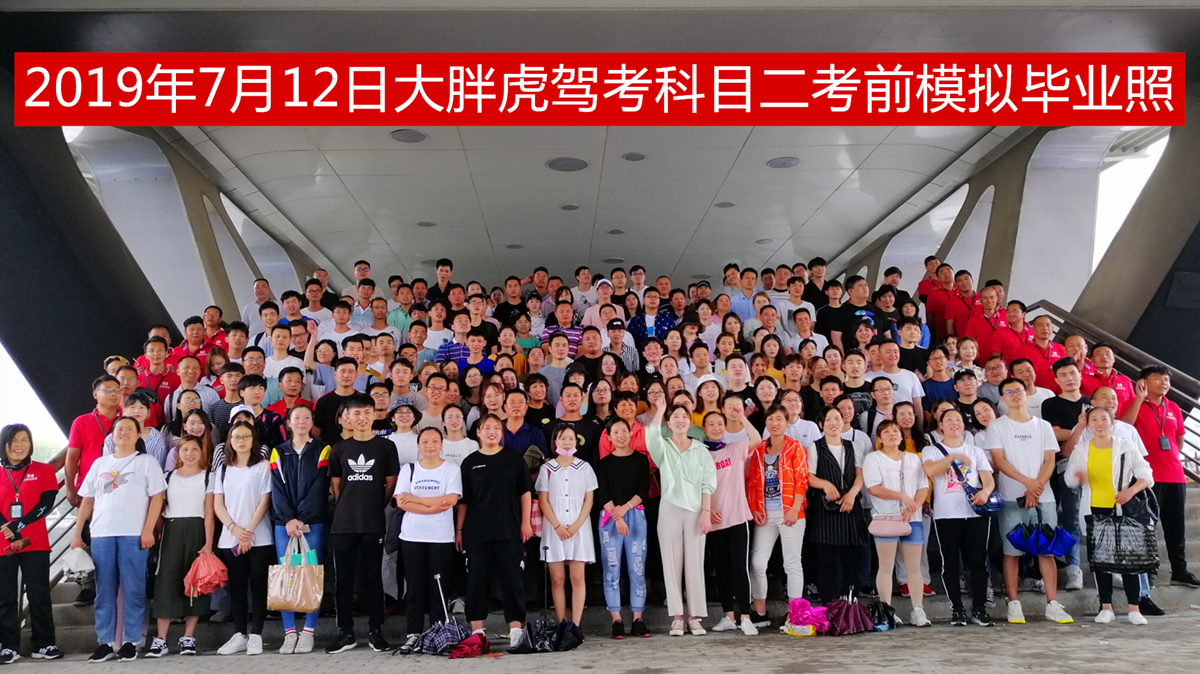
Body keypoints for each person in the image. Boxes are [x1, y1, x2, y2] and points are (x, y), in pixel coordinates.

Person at [71, 416, 166, 663]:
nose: (124, 432)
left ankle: (131, 641)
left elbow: (157, 498)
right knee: (104, 590)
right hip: (101, 533)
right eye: (119, 429)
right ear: (112, 435)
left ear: (138, 435)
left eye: (129, 429)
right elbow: (87, 500)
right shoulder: (100, 463)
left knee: (134, 588)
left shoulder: (147, 462)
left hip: (133, 533)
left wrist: (148, 530)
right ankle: (106, 642)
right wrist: (77, 533)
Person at [986, 377, 1074, 624]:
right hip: (1012, 496)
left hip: (1043, 497)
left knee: (1046, 550)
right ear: (1002, 398)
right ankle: (1014, 604)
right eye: (1009, 392)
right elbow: (999, 461)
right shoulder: (997, 426)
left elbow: (1049, 460)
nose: (1015, 394)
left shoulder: (1043, 425)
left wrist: (1036, 488)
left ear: (1026, 393)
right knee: (1011, 551)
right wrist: (1027, 484)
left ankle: (1052, 603)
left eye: (1019, 390)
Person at [1064, 407, 1155, 625]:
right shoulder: (1081, 449)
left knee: (1129, 559)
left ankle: (1134, 608)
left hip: (1124, 509)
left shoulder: (1125, 446)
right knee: (1100, 561)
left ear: (1112, 422)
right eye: (1094, 419)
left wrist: (1130, 491)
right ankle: (1106, 607)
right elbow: (1069, 480)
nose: (1099, 423)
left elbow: (1147, 475)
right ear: (1087, 424)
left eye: (1104, 419)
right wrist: (1078, 476)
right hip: (1095, 510)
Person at [324, 395, 400, 654]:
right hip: (343, 524)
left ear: (375, 414)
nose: (362, 418)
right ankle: (345, 633)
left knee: (373, 579)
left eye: (367, 412)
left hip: (373, 522)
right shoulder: (339, 449)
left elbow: (390, 483)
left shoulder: (386, 447)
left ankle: (375, 631)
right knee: (343, 581)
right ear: (347, 416)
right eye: (356, 413)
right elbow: (336, 487)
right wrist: (349, 505)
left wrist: (375, 505)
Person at [456, 415, 534, 651]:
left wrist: (526, 522)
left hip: (508, 529)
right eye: (486, 427)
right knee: (476, 582)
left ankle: (516, 632)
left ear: (502, 433)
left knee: (512, 581)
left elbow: (525, 492)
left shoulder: (513, 459)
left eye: (496, 428)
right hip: (477, 532)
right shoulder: (470, 462)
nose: (492, 431)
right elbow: (464, 501)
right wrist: (459, 530)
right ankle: (477, 634)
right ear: (478, 432)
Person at [1122, 365, 1199, 587]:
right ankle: (1146, 572)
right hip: (1146, 476)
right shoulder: (1133, 403)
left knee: (1176, 526)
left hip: (1175, 474)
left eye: (1166, 379)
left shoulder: (1173, 407)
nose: (1164, 383)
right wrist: (1139, 399)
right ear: (1143, 382)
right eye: (1157, 378)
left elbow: (1179, 439)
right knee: (1147, 525)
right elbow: (1124, 428)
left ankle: (1180, 571)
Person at [646, 398, 717, 637]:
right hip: (669, 508)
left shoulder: (701, 450)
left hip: (696, 511)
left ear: (690, 422)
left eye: (684, 417)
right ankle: (677, 617)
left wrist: (706, 513)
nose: (679, 420)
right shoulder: (663, 447)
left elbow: (708, 484)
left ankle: (694, 617)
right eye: (674, 417)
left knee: (695, 563)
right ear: (668, 422)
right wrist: (660, 410)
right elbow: (651, 435)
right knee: (671, 563)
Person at [922, 408, 997, 626]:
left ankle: (980, 609)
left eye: (958, 420)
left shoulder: (975, 451)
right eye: (949, 420)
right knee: (951, 563)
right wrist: (953, 457)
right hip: (946, 515)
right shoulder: (931, 450)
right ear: (940, 425)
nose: (954, 423)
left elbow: (988, 479)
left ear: (964, 426)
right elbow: (931, 471)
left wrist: (985, 492)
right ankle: (957, 609)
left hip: (975, 514)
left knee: (978, 562)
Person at [269, 406, 331, 654]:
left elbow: (319, 486)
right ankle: (289, 632)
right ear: (288, 423)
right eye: (297, 418)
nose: (302, 422)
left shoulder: (322, 450)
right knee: (288, 574)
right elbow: (276, 488)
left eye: (307, 418)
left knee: (311, 572)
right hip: (284, 525)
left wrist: (302, 518)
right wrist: (288, 519)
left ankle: (308, 631)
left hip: (313, 523)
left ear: (312, 422)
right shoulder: (278, 452)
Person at [395, 428, 462, 655]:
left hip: (440, 537)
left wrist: (417, 500)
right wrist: (434, 506)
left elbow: (451, 499)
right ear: (418, 445)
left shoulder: (451, 469)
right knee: (414, 587)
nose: (430, 445)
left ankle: (438, 633)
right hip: (412, 536)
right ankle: (413, 634)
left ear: (442, 444)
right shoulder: (409, 469)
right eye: (425, 442)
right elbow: (402, 502)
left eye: (434, 441)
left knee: (439, 587)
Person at [147, 435, 214, 657]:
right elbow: (159, 508)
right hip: (172, 530)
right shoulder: (168, 476)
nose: (190, 454)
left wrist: (208, 543)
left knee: (195, 582)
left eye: (195, 449)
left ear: (202, 452)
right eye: (185, 449)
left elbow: (209, 513)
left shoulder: (209, 477)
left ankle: (188, 637)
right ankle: (161, 639)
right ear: (178, 453)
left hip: (197, 529)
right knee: (166, 582)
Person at [212, 420, 274, 656]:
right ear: (229, 441)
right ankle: (239, 634)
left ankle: (256, 633)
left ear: (253, 440)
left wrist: (247, 532)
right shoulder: (223, 469)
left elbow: (264, 501)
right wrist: (234, 529)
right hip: (230, 538)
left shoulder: (263, 466)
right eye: (236, 437)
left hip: (260, 536)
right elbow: (218, 504)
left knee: (258, 586)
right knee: (237, 588)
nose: (241, 441)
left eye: (246, 436)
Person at [0, 424, 61, 663]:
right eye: (14, 440)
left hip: (35, 543)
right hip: (2, 544)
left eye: (25, 439)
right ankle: (8, 646)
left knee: (39, 594)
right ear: (4, 444)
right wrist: (8, 530)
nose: (20, 445)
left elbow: (46, 503)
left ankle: (44, 644)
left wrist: (19, 525)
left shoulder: (43, 470)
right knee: (5, 597)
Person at [864, 420, 931, 627]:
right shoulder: (873, 458)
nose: (892, 434)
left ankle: (918, 609)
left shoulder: (913, 458)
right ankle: (886, 610)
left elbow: (923, 486)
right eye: (886, 431)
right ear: (879, 438)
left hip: (913, 518)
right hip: (886, 517)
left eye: (895, 431)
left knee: (914, 566)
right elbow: (874, 488)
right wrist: (901, 496)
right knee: (886, 566)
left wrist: (914, 506)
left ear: (902, 436)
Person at [746, 406, 808, 629]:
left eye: (779, 419)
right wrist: (754, 508)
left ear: (787, 422)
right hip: (765, 514)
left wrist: (795, 508)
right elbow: (752, 481)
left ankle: (795, 615)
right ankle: (760, 612)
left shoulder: (795, 447)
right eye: (770, 419)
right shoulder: (759, 450)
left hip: (791, 512)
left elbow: (802, 479)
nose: (775, 423)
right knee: (757, 563)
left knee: (792, 563)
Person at [536, 424, 598, 637]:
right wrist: (557, 526)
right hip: (554, 528)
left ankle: (576, 625)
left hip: (579, 527)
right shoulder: (547, 468)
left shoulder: (585, 467)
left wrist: (577, 525)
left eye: (571, 438)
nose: (567, 442)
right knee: (557, 579)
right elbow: (543, 500)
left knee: (578, 577)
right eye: (562, 438)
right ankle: (561, 623)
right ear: (555, 442)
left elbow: (589, 499)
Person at [700, 411, 757, 636]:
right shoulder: (700, 454)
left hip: (737, 518)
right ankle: (728, 617)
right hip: (713, 522)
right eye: (711, 424)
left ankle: (746, 617)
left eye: (720, 424)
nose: (716, 428)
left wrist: (741, 418)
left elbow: (756, 440)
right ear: (703, 429)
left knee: (739, 569)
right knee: (721, 571)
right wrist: (707, 510)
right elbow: (696, 487)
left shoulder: (735, 449)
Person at [804, 406, 867, 604]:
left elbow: (860, 475)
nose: (834, 423)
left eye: (837, 419)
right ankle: (829, 606)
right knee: (827, 562)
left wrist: (852, 494)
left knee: (852, 560)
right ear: (821, 424)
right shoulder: (814, 447)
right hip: (825, 510)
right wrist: (825, 484)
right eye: (829, 419)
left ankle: (850, 605)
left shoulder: (853, 446)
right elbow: (808, 476)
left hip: (851, 507)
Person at [595, 418, 651, 639]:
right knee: (611, 568)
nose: (620, 435)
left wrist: (625, 509)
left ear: (631, 433)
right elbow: (602, 493)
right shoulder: (604, 464)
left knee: (637, 567)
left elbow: (643, 490)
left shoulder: (641, 460)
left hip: (635, 514)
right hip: (610, 518)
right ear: (609, 437)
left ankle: (638, 618)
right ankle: (616, 619)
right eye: (615, 432)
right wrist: (617, 516)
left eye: (624, 431)